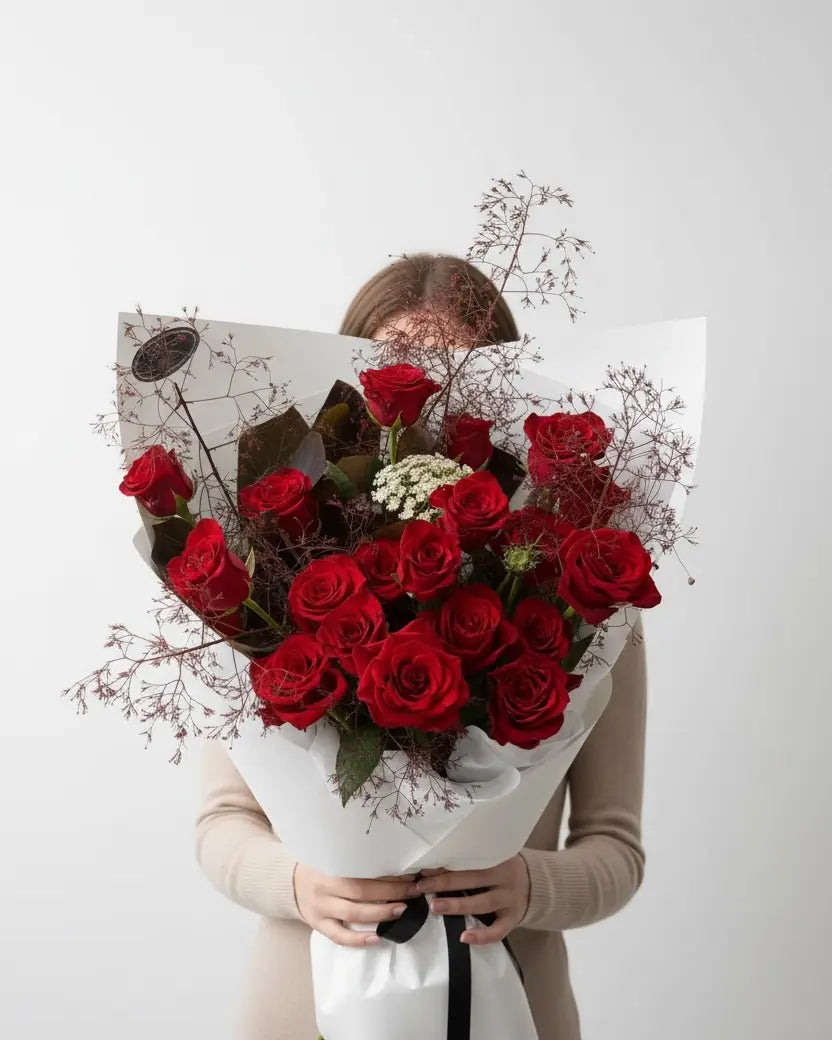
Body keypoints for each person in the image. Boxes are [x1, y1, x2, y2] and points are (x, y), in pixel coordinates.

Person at [195, 254, 648, 1040]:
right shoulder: (268, 578)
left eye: (464, 369)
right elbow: (220, 824)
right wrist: (300, 883)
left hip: (515, 1003)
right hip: (301, 1005)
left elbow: (616, 847)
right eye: (401, 365)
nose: (435, 392)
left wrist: (530, 884)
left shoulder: (585, 600)